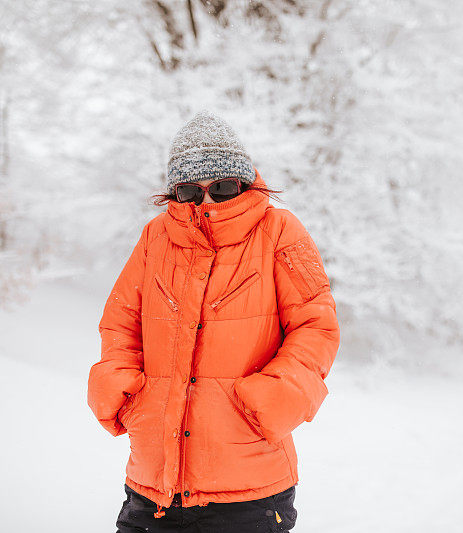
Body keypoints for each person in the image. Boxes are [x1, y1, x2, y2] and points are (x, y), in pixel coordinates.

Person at [87, 109, 341, 533]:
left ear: (243, 184)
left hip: (249, 487)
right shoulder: (155, 238)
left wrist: (270, 401)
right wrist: (126, 392)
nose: (205, 202)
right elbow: (120, 324)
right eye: (189, 191)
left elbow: (316, 325)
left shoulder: (279, 231)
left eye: (221, 188)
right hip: (153, 484)